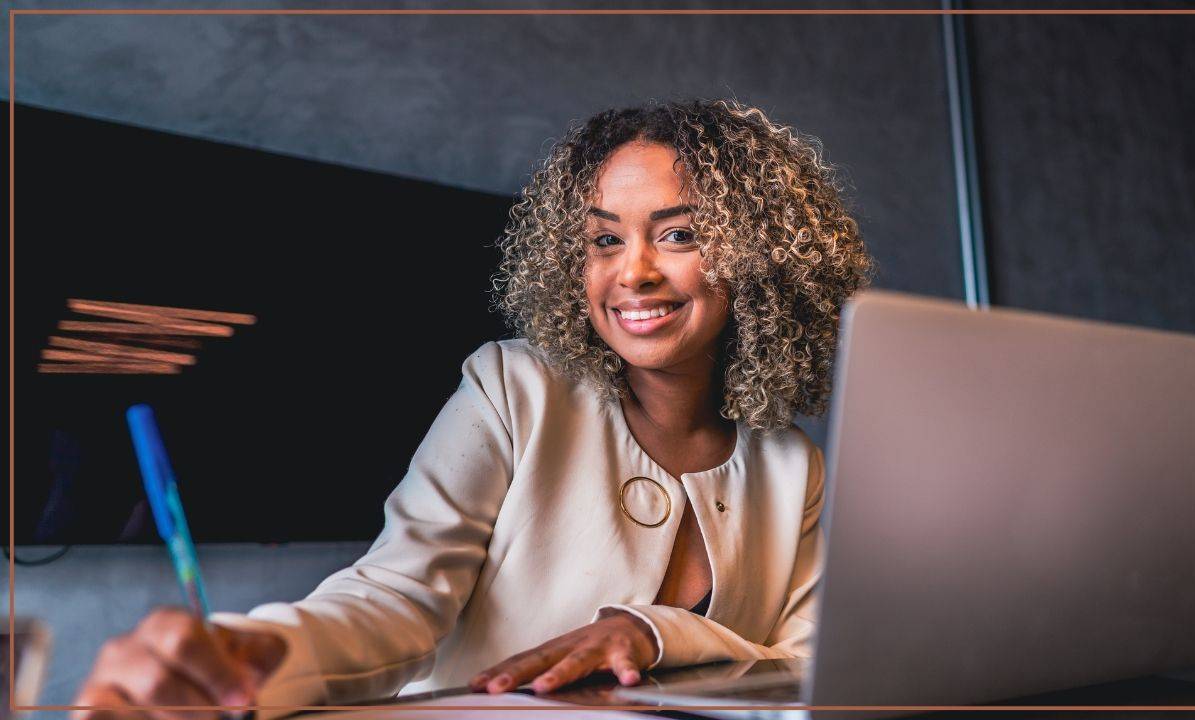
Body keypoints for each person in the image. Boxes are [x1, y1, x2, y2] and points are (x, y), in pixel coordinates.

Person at [73, 98, 873, 719]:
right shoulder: (512, 386)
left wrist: (655, 633)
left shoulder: (788, 461)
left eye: (679, 234)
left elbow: (804, 664)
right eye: (602, 240)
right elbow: (396, 598)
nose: (632, 273)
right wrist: (255, 646)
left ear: (761, 261)